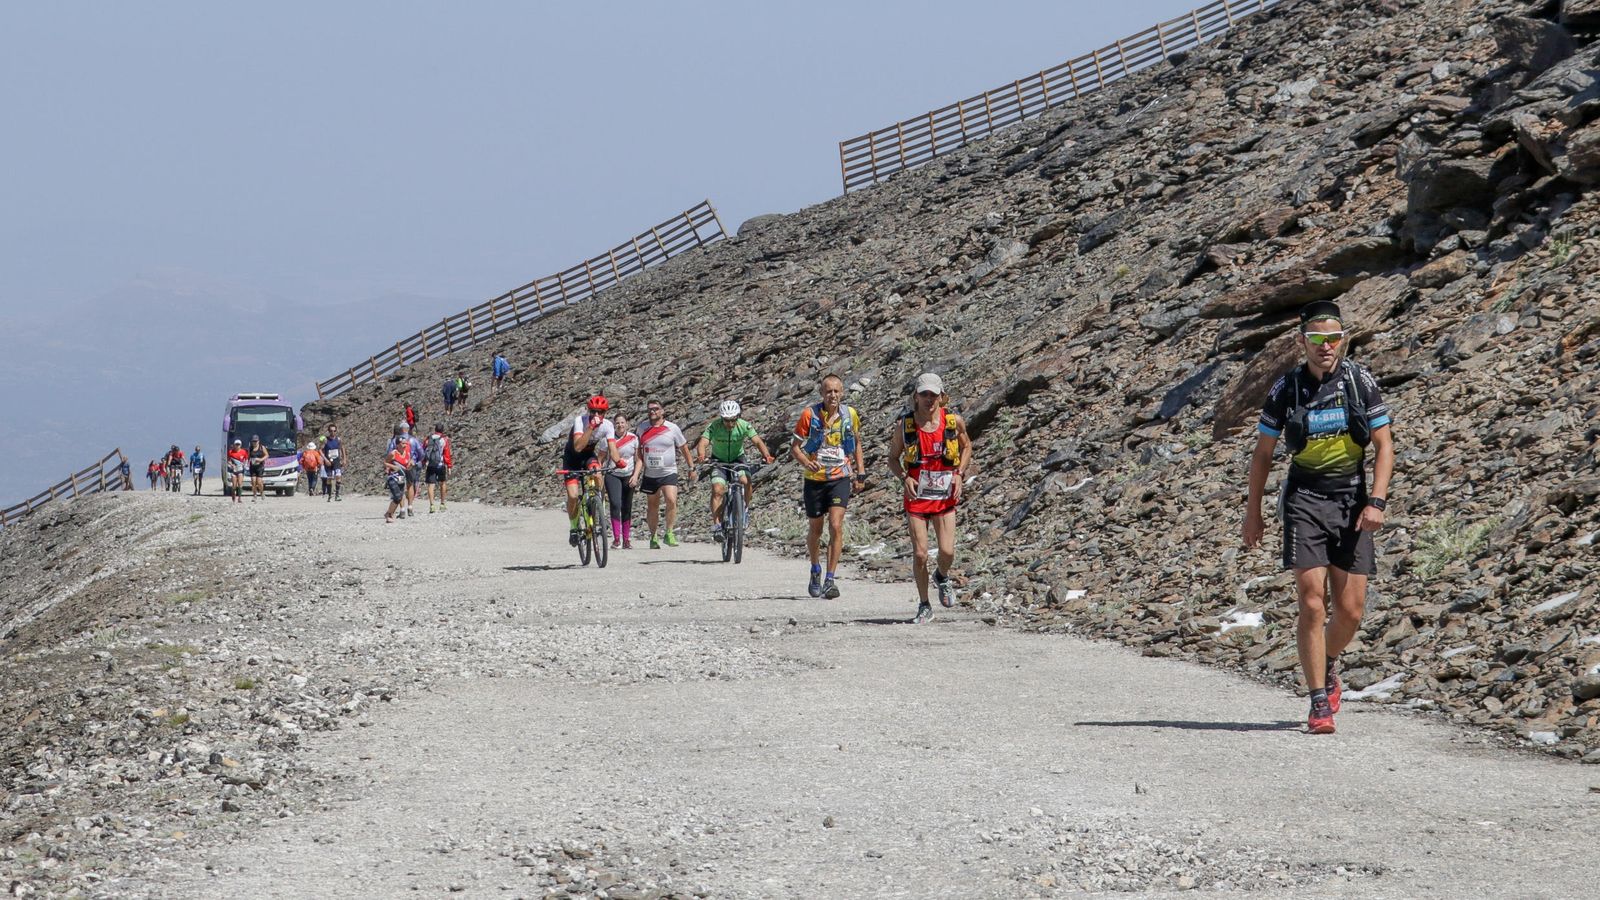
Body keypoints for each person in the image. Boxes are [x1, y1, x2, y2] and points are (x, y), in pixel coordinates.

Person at [1243, 299, 1394, 735]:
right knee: (1312, 602)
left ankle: (1327, 663)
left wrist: (1377, 502)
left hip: (1352, 501)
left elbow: (1385, 446)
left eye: (1333, 338)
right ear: (1302, 341)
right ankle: (1316, 703)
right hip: (1304, 501)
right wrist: (1253, 512)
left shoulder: (1359, 381)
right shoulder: (1285, 389)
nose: (1325, 347)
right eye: (1316, 339)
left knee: (1350, 611)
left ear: (1343, 339)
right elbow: (1264, 454)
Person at [888, 373, 973, 624]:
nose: (929, 399)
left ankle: (942, 576)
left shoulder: (952, 422)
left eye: (933, 395)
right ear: (915, 396)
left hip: (945, 495)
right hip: (917, 497)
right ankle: (924, 604)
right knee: (920, 554)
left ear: (941, 396)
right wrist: (905, 478)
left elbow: (966, 446)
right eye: (924, 394)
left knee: (947, 551)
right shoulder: (905, 426)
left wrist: (959, 474)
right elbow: (892, 458)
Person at [790, 374, 865, 599]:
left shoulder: (850, 415)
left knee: (836, 525)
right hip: (815, 480)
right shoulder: (809, 415)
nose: (832, 395)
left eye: (836, 391)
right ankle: (815, 569)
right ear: (822, 394)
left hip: (839, 477)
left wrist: (860, 472)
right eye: (828, 391)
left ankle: (830, 579)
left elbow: (857, 442)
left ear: (842, 392)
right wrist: (806, 461)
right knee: (816, 529)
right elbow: (795, 447)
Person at [695, 400, 775, 543]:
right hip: (718, 460)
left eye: (733, 420)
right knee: (718, 490)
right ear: (722, 418)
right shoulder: (714, 426)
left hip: (738, 459)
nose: (730, 424)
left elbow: (757, 441)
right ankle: (717, 525)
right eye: (726, 420)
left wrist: (766, 455)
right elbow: (703, 442)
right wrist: (702, 455)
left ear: (738, 417)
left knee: (746, 480)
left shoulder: (744, 425)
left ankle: (744, 509)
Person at [632, 399, 693, 549]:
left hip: (668, 471)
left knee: (671, 500)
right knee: (652, 505)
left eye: (656, 409)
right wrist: (636, 472)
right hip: (651, 473)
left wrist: (691, 467)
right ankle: (653, 536)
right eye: (650, 409)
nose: (653, 411)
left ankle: (669, 532)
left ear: (662, 411)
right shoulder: (642, 428)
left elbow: (684, 448)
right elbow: (638, 452)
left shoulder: (672, 428)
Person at [563, 395, 620, 546]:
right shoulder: (580, 421)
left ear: (605, 413)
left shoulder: (608, 425)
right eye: (593, 411)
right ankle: (574, 527)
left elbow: (612, 449)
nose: (596, 415)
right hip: (572, 459)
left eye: (600, 412)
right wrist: (591, 427)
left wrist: (620, 461)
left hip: (588, 456)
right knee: (573, 496)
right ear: (588, 411)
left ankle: (599, 509)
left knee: (598, 473)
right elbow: (578, 447)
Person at [605, 413, 639, 548]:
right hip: (612, 474)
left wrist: (635, 475)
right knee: (615, 504)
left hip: (629, 475)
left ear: (627, 424)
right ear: (614, 425)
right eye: (617, 423)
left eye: (622, 422)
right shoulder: (608, 439)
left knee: (627, 506)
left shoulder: (634, 438)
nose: (620, 425)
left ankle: (626, 539)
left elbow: (639, 459)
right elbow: (601, 457)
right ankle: (616, 539)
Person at [424, 422, 452, 513]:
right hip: (440, 464)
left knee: (431, 485)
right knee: (442, 483)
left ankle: (432, 505)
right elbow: (446, 453)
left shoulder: (428, 439)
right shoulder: (444, 439)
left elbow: (423, 450)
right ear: (442, 430)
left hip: (430, 464)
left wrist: (423, 462)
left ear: (435, 429)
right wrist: (449, 465)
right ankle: (442, 504)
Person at [383, 439, 411, 523]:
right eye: (403, 443)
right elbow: (385, 462)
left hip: (402, 478)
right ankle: (389, 514)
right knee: (397, 496)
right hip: (393, 478)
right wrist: (392, 467)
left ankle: (389, 514)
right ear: (398, 445)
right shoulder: (393, 453)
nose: (405, 445)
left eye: (405, 443)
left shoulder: (407, 454)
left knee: (398, 498)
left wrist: (411, 465)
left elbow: (407, 467)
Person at [322, 424, 345, 501]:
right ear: (328, 431)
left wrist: (344, 459)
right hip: (328, 461)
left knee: (338, 476)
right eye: (331, 431)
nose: (333, 432)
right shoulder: (325, 440)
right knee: (329, 478)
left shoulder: (338, 439)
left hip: (336, 461)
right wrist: (325, 459)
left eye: (334, 431)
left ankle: (337, 495)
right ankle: (329, 495)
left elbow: (342, 448)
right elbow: (319, 450)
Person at [247, 435, 268, 500]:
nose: (254, 442)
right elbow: (248, 457)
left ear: (258, 441)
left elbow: (267, 455)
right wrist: (247, 462)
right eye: (253, 441)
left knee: (259, 482)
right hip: (252, 467)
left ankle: (262, 493)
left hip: (260, 467)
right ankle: (254, 495)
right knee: (253, 481)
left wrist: (260, 460)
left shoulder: (262, 447)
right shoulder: (250, 448)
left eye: (256, 441)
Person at [226, 439, 247, 504]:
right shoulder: (230, 452)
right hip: (233, 471)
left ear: (240, 445)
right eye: (236, 444)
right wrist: (231, 465)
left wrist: (244, 464)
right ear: (234, 445)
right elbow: (228, 460)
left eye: (239, 445)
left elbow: (246, 459)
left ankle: (240, 498)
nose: (237, 446)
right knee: (234, 485)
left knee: (240, 484)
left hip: (240, 470)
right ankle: (233, 496)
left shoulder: (243, 452)